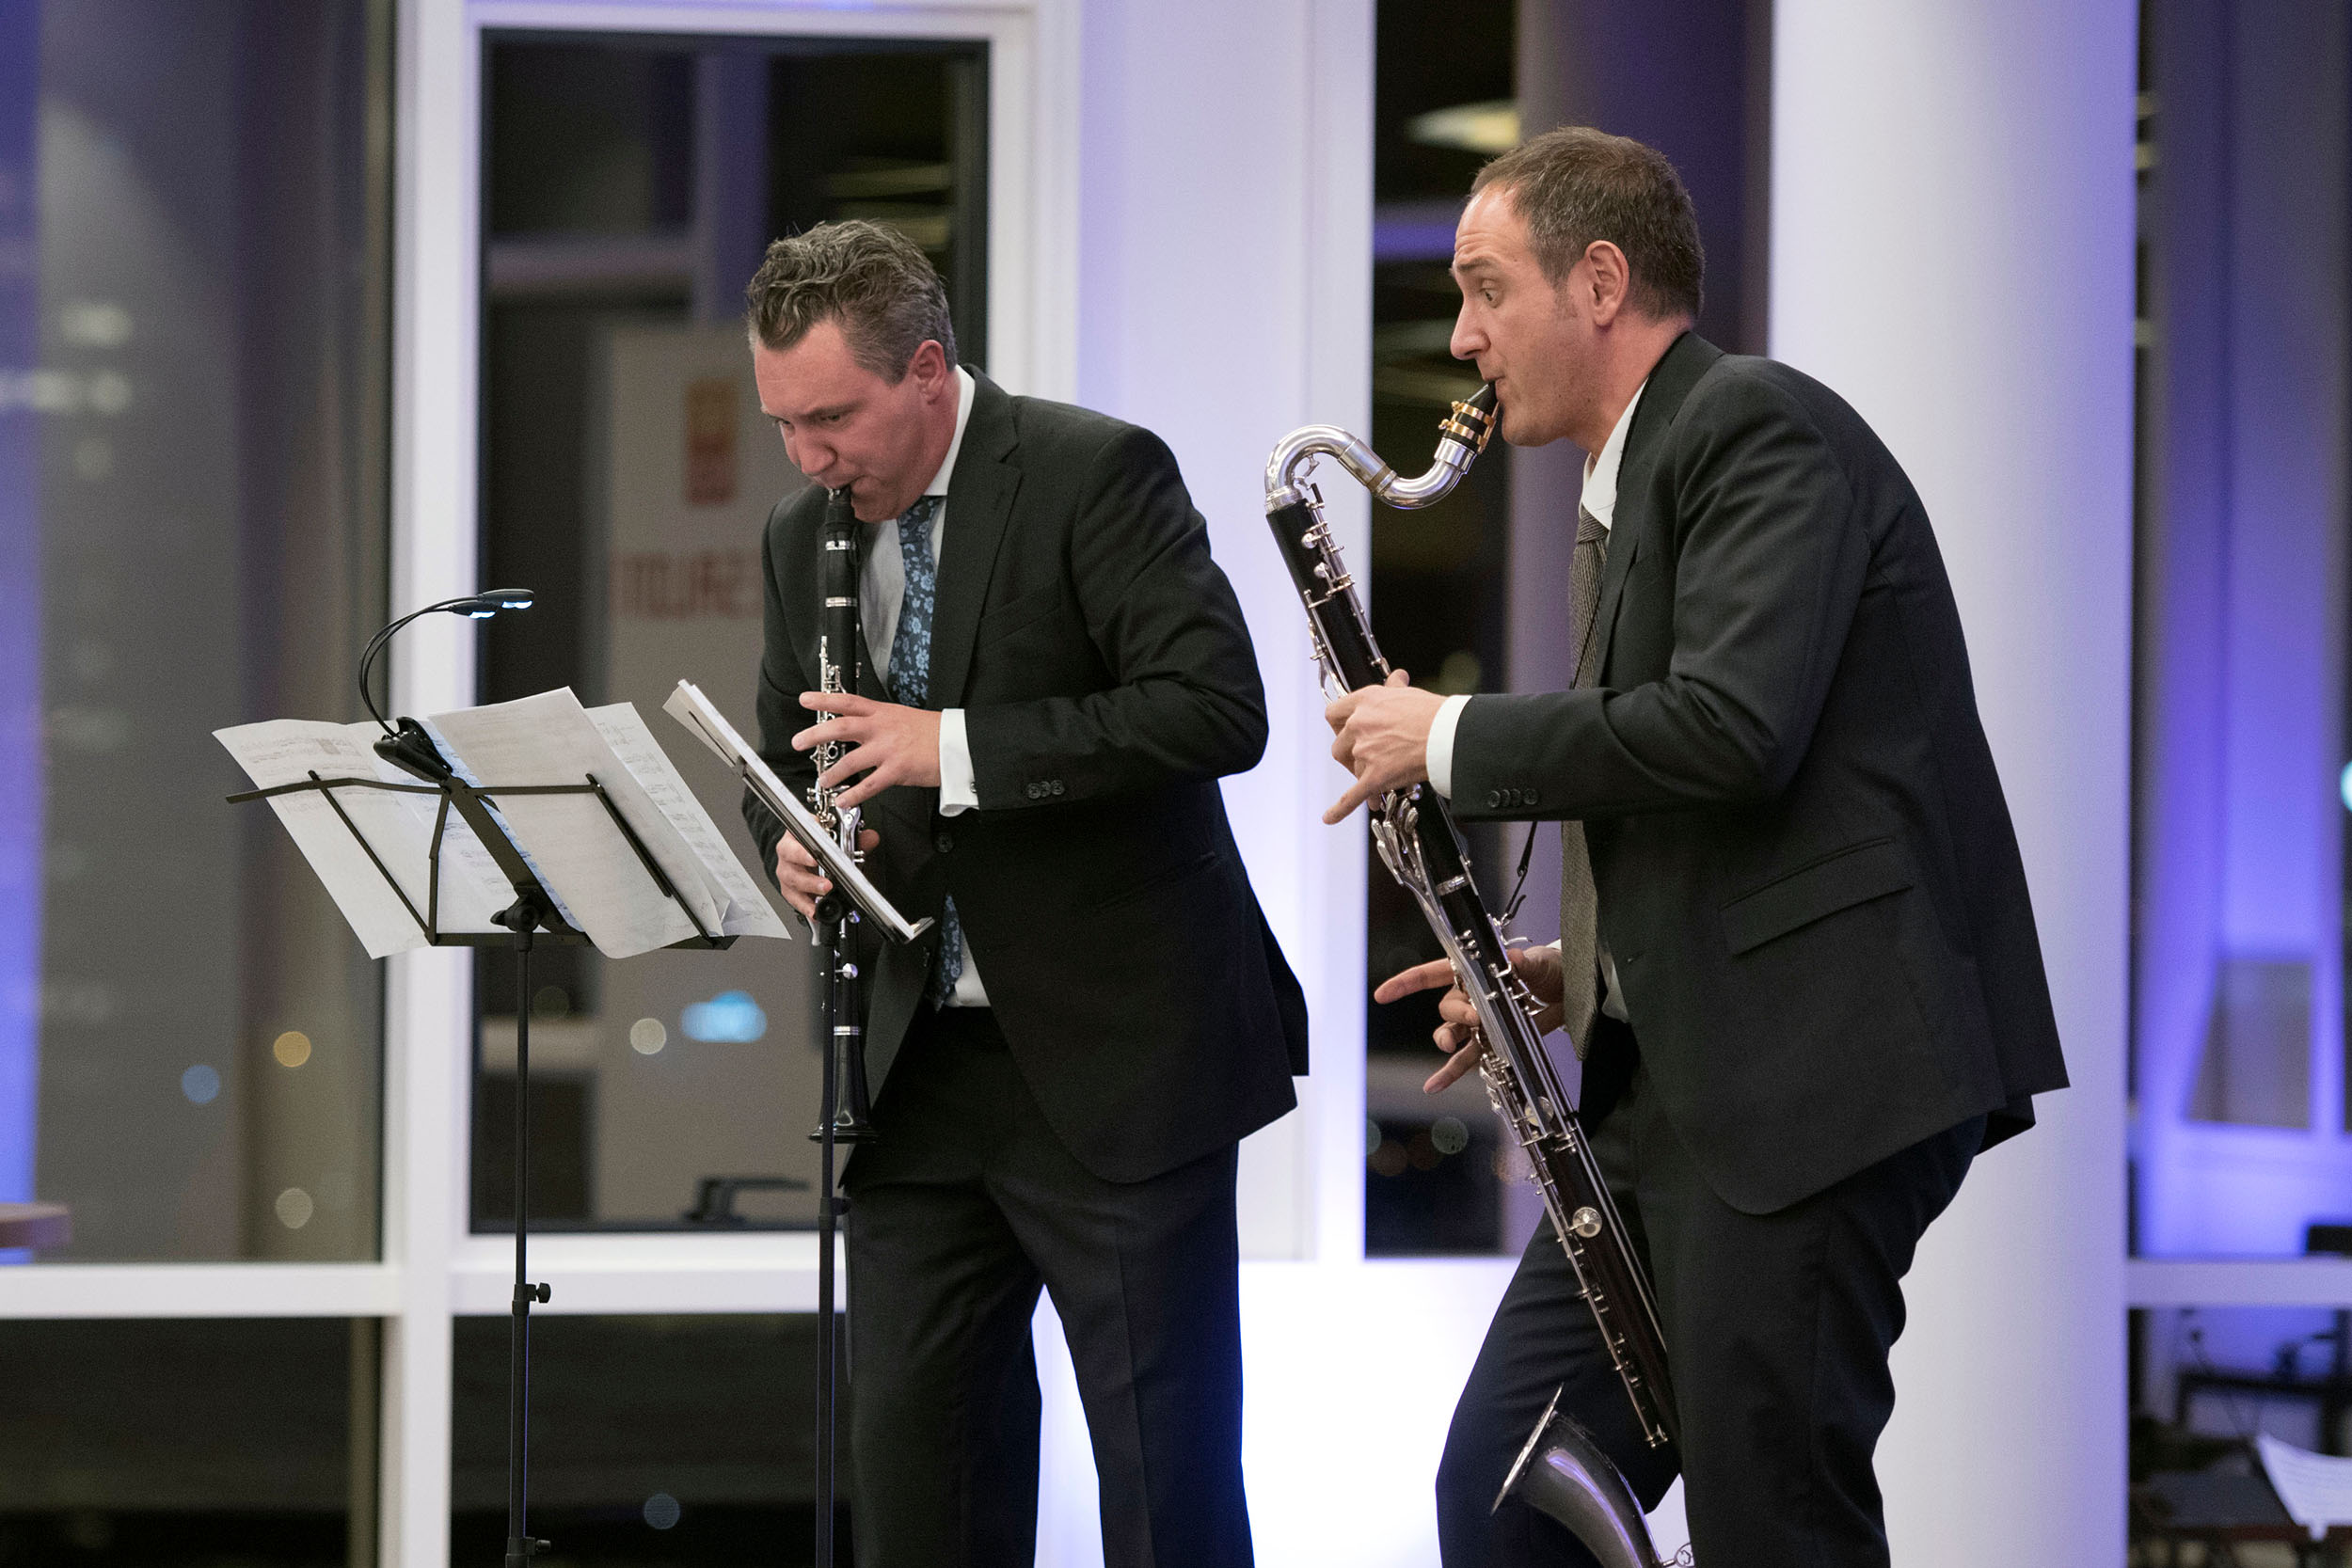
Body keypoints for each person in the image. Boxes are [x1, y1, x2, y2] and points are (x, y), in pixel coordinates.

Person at [1323, 128, 2068, 1567]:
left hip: (1812, 1083)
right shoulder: (1636, 475)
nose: (1463, 338)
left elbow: (1732, 730)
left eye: (1486, 290)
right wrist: (1583, 970)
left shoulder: (1754, 425)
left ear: (1600, 281)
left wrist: (1450, 734)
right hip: (1690, 1092)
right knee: (1498, 1497)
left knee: (1773, 1522)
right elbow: (1710, 791)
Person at [739, 219, 1305, 1568]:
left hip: (1115, 1066)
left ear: (928, 371)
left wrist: (957, 750)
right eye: (784, 426)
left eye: (832, 419)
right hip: (913, 1071)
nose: (809, 459)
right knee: (918, 1488)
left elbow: (1217, 709)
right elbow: (787, 752)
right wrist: (801, 845)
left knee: (1165, 1498)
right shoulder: (795, 531)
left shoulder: (1091, 471)